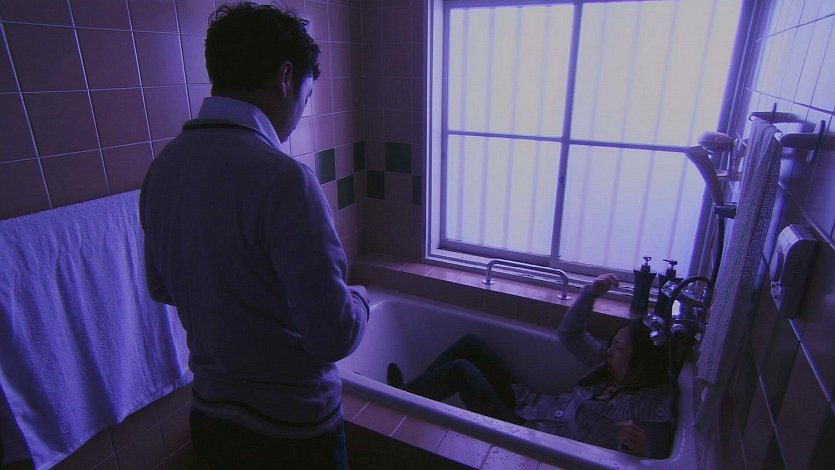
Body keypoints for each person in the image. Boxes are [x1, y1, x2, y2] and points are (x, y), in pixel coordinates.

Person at [139, 3, 369, 469]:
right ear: (285, 77)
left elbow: (161, 287)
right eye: (307, 93)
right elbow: (333, 336)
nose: (301, 112)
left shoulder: (162, 170)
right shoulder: (285, 181)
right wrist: (360, 300)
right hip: (292, 432)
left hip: (212, 421)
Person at [387, 274, 674, 458]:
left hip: (527, 438)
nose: (609, 351)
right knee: (471, 344)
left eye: (618, 347)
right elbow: (570, 334)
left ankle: (395, 402)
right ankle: (406, 394)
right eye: (612, 344)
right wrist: (591, 293)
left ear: (641, 361)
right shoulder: (608, 364)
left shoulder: (652, 408)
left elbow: (658, 456)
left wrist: (641, 450)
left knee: (460, 371)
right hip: (531, 407)